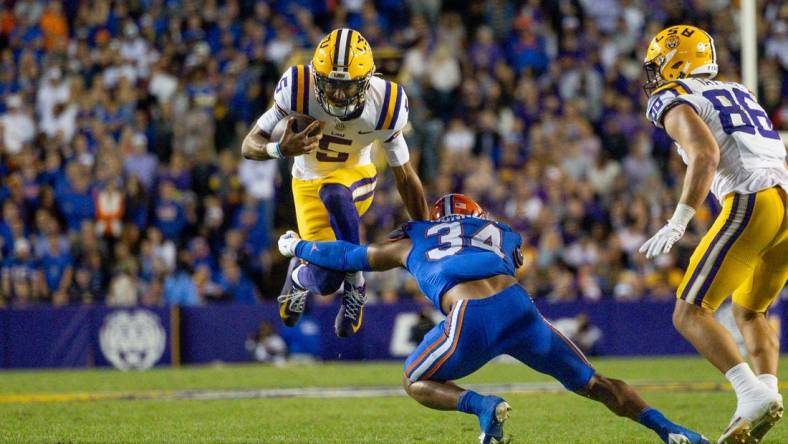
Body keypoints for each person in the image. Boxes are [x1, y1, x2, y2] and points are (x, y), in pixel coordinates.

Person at [278, 193, 708, 444]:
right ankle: (672, 431)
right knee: (594, 383)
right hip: (519, 308)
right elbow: (510, 255)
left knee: (414, 380)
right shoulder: (503, 233)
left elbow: (349, 255)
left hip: (470, 316)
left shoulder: (415, 236)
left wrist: (297, 247)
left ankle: (484, 407)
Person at [639, 25, 787, 443]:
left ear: (676, 59)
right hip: (785, 204)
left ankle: (750, 395)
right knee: (750, 312)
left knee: (689, 312)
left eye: (659, 63)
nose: (655, 74)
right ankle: (766, 396)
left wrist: (679, 219)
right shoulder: (739, 89)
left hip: (752, 199)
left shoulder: (672, 97)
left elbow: (705, 154)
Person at [241, 28, 429, 337]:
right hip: (305, 183)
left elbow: (405, 175)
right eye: (331, 85)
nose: (339, 95)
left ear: (368, 81)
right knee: (327, 282)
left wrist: (424, 228)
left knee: (335, 193)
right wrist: (278, 149)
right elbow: (249, 144)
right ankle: (302, 276)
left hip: (356, 176)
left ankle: (356, 282)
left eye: (347, 86)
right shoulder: (297, 86)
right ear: (316, 77)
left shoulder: (387, 102)